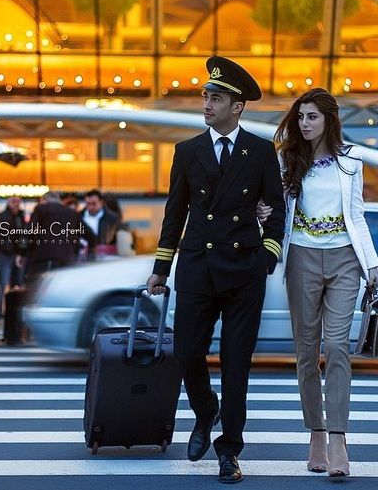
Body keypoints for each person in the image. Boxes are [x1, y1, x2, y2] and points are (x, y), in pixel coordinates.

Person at [147, 56, 285, 484]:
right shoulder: (187, 151)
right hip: (197, 267)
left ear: (237, 106)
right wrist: (160, 269)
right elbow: (175, 214)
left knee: (237, 364)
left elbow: (276, 212)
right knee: (187, 352)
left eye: (217, 97)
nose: (207, 104)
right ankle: (206, 410)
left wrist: (266, 256)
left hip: (244, 270)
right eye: (206, 96)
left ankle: (229, 451)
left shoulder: (261, 151)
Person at [259, 88, 378, 477]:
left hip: (345, 258)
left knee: (337, 346)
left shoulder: (352, 159)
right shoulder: (287, 158)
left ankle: (338, 439)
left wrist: (371, 264)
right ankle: (316, 432)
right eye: (301, 117)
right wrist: (264, 215)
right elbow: (278, 209)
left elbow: (357, 214)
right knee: (307, 351)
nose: (305, 124)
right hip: (301, 258)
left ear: (329, 119)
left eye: (312, 117)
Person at [0, 196, 26, 318]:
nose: (16, 204)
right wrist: (8, 249)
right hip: (5, 255)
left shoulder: (20, 218)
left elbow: (23, 236)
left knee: (16, 284)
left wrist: (21, 251)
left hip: (16, 254)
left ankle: (13, 310)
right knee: (3, 282)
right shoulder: (1, 217)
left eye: (18, 201)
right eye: (14, 201)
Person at [80, 189, 134, 256]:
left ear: (101, 202)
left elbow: (123, 236)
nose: (90, 207)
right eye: (88, 204)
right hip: (80, 256)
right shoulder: (78, 216)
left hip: (103, 257)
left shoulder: (113, 219)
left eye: (94, 204)